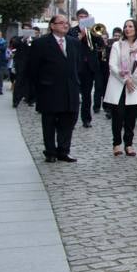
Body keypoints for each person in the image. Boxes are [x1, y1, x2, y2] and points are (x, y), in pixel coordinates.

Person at [26, 15, 81, 163]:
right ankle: (50, 151)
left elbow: (78, 65)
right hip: (49, 89)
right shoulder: (41, 43)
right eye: (61, 23)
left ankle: (64, 150)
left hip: (70, 89)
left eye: (66, 23)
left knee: (68, 121)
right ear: (52, 26)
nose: (65, 25)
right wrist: (40, 86)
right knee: (49, 122)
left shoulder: (73, 43)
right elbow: (33, 68)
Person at [103, 19, 137, 156]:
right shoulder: (117, 45)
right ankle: (116, 143)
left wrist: (133, 79)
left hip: (134, 85)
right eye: (125, 27)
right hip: (119, 83)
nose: (127, 29)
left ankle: (129, 144)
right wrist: (125, 79)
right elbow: (112, 65)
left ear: (136, 28)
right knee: (118, 115)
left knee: (130, 116)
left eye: (130, 26)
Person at [68, 8, 105, 128]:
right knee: (73, 95)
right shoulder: (72, 31)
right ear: (77, 18)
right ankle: (71, 120)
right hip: (75, 66)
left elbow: (101, 44)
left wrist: (91, 33)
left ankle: (86, 119)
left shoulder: (92, 31)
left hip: (88, 68)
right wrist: (81, 36)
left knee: (87, 95)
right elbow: (70, 45)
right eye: (81, 17)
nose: (83, 19)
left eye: (85, 17)